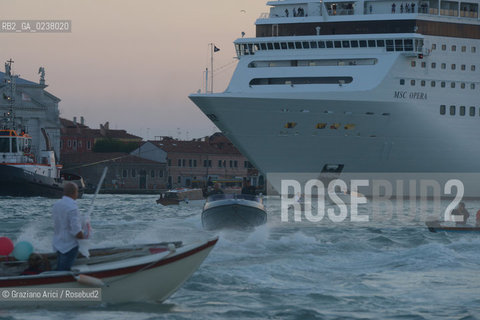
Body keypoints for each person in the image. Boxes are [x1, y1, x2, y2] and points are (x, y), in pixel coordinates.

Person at [52, 182, 84, 271]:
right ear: (75, 192)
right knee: (63, 272)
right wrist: (85, 236)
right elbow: (76, 231)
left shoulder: (56, 205)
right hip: (69, 246)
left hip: (58, 244)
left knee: (60, 269)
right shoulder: (72, 208)